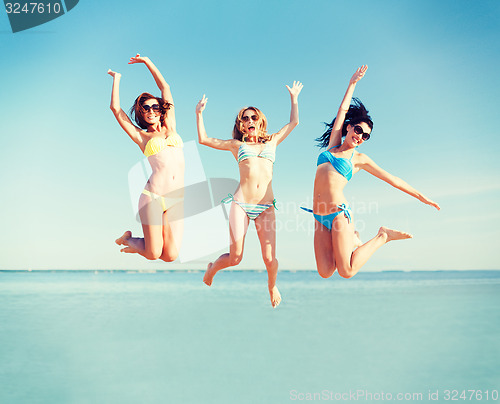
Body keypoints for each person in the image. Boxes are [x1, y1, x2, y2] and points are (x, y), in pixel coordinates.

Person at [307, 65, 439, 279]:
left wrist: (422, 197)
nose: (360, 136)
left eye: (365, 136)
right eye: (358, 130)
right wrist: (352, 83)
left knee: (347, 271)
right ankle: (354, 239)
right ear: (349, 127)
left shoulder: (359, 159)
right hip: (318, 216)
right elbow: (341, 111)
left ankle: (383, 236)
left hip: (339, 214)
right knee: (325, 272)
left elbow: (393, 179)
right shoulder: (332, 146)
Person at [195, 81, 303, 307]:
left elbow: (294, 122)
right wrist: (199, 114)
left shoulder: (273, 140)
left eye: (253, 117)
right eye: (245, 118)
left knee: (269, 258)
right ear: (241, 125)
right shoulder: (236, 145)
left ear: (260, 121)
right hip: (241, 204)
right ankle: (212, 268)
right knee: (235, 257)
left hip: (266, 207)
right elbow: (204, 140)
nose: (249, 121)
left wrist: (294, 97)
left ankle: (272, 285)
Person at [109, 54, 184, 261]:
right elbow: (116, 110)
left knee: (170, 255)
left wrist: (147, 62)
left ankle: (138, 244)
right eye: (145, 109)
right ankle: (129, 240)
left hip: (176, 199)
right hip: (153, 197)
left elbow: (165, 88)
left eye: (154, 107)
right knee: (153, 254)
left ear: (161, 111)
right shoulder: (142, 136)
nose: (150, 110)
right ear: (141, 114)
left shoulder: (171, 126)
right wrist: (117, 79)